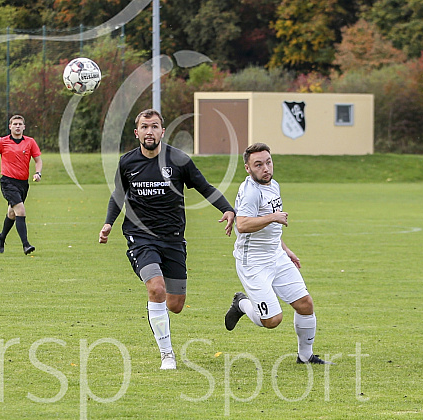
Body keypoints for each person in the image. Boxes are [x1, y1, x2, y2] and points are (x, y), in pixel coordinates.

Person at [99, 109, 235, 370]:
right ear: (136, 132)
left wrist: (227, 209)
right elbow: (118, 195)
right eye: (144, 127)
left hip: (173, 238)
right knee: (156, 289)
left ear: (162, 131)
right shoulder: (127, 162)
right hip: (140, 237)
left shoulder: (179, 160)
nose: (149, 131)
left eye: (155, 126)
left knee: (175, 304)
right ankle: (167, 355)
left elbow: (205, 186)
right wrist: (108, 223)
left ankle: (159, 313)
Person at [224, 142, 332, 365]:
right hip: (253, 263)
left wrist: (285, 249)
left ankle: (305, 356)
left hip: (276, 256)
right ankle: (241, 304)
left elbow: (270, 228)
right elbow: (243, 225)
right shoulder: (251, 192)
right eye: (259, 164)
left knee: (305, 305)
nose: (266, 168)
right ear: (248, 168)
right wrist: (274, 217)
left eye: (268, 162)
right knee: (272, 320)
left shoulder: (273, 185)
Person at [0, 115, 42, 254]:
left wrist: (38, 173)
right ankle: (26, 245)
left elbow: (38, 160)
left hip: (23, 183)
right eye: (14, 124)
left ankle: (1, 237)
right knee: (20, 210)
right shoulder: (2, 142)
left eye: (20, 124)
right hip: (8, 182)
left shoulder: (30, 142)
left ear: (24, 127)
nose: (17, 126)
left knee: (12, 213)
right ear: (10, 126)